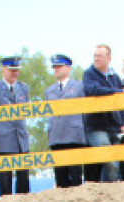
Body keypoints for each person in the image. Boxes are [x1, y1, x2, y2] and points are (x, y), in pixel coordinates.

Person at [83, 44, 124, 183]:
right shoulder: (89, 74)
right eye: (95, 56)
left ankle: (108, 190)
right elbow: (93, 90)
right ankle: (112, 188)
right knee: (110, 160)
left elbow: (122, 103)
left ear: (108, 58)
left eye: (99, 56)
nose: (96, 58)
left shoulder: (114, 77)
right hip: (96, 126)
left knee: (114, 162)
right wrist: (120, 91)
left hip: (114, 126)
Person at [0, 56, 31, 197]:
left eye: (16, 70)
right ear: (4, 70)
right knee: (5, 181)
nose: (15, 73)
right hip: (3, 140)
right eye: (11, 70)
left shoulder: (23, 89)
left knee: (23, 179)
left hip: (21, 140)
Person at [44, 54, 85, 189]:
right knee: (60, 177)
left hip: (74, 135)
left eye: (60, 66)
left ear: (68, 68)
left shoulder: (79, 86)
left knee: (75, 176)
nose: (57, 69)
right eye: (55, 67)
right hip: (56, 136)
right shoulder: (49, 91)